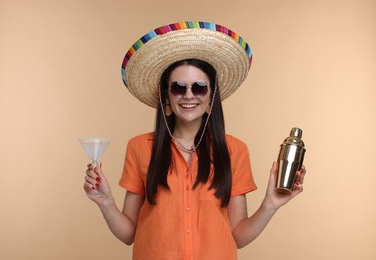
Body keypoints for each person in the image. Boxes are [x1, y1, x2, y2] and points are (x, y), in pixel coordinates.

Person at [83, 21, 306, 260]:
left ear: (211, 97)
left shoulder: (235, 150)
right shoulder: (139, 147)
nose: (189, 95)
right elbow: (129, 234)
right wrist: (105, 202)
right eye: (178, 87)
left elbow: (239, 235)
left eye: (199, 87)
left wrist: (270, 204)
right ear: (166, 97)